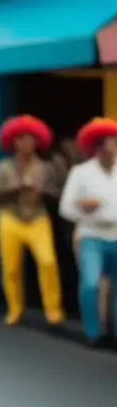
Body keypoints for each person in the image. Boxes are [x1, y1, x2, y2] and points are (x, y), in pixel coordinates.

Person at [0, 115, 64, 326]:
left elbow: (57, 192)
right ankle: (14, 309)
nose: (27, 143)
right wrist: (17, 190)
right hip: (9, 217)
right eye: (22, 139)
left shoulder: (45, 167)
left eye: (31, 139)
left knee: (47, 261)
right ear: (13, 142)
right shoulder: (3, 167)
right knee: (11, 267)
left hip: (37, 216)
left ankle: (53, 310)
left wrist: (43, 192)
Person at [59, 118, 117, 348]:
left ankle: (113, 331)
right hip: (91, 234)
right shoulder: (80, 173)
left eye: (113, 142)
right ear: (96, 148)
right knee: (91, 283)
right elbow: (65, 208)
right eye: (105, 144)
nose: (110, 148)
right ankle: (93, 331)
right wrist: (84, 208)